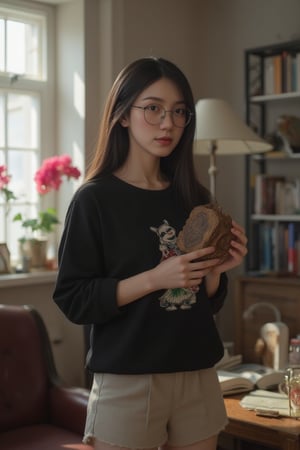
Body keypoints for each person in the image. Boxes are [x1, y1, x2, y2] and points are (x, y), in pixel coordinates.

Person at [53, 56, 248, 450]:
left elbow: (202, 303)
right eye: (153, 108)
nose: (168, 123)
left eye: (179, 112)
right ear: (123, 115)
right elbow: (74, 299)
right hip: (128, 379)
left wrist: (215, 271)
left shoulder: (195, 198)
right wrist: (154, 280)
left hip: (197, 373)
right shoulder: (95, 200)